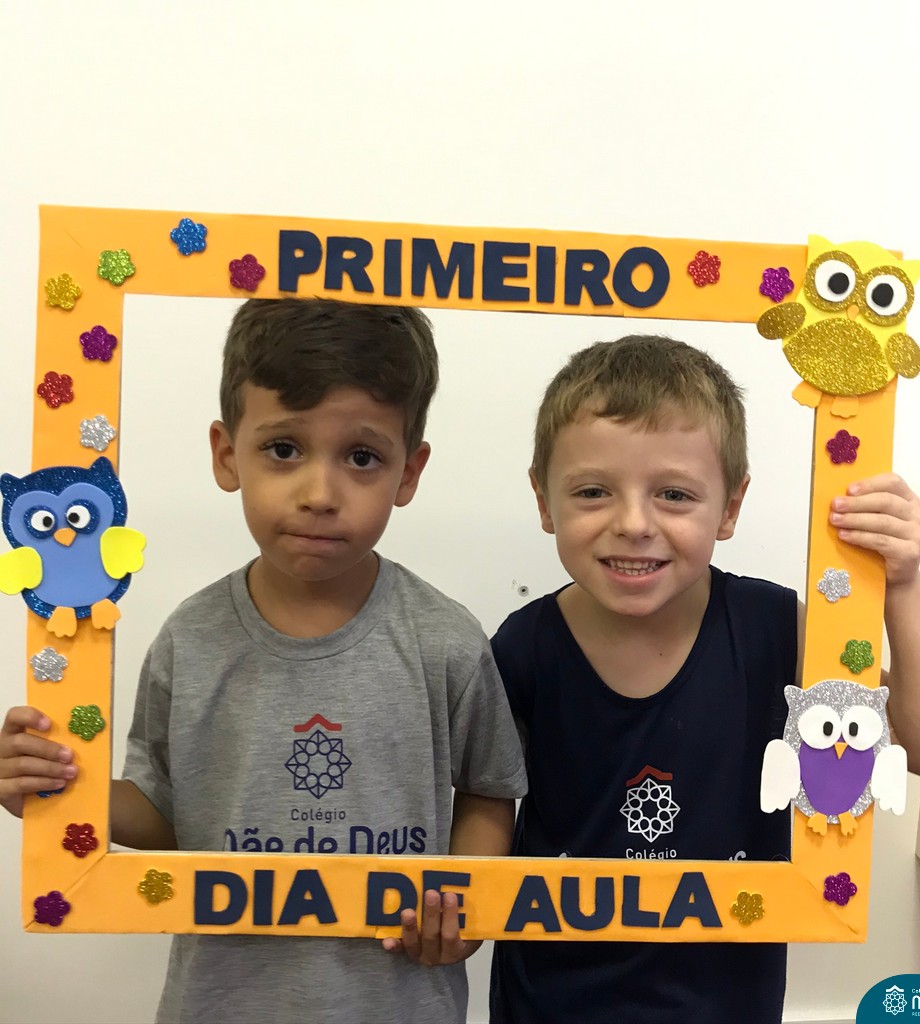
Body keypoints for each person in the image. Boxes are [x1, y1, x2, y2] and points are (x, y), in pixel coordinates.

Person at [0, 298, 527, 1024]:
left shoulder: (446, 640)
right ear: (227, 455)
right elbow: (166, 813)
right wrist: (56, 789)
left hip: (399, 1004)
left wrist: (468, 908)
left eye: (362, 457)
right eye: (284, 449)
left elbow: (487, 793)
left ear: (409, 472)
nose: (319, 495)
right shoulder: (190, 639)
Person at [488, 334, 920, 1024]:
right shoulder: (523, 647)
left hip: (726, 1003)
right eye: (593, 492)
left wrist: (900, 582)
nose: (633, 524)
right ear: (544, 501)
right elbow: (484, 813)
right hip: (550, 1003)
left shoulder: (775, 629)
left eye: (674, 495)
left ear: (731, 507)